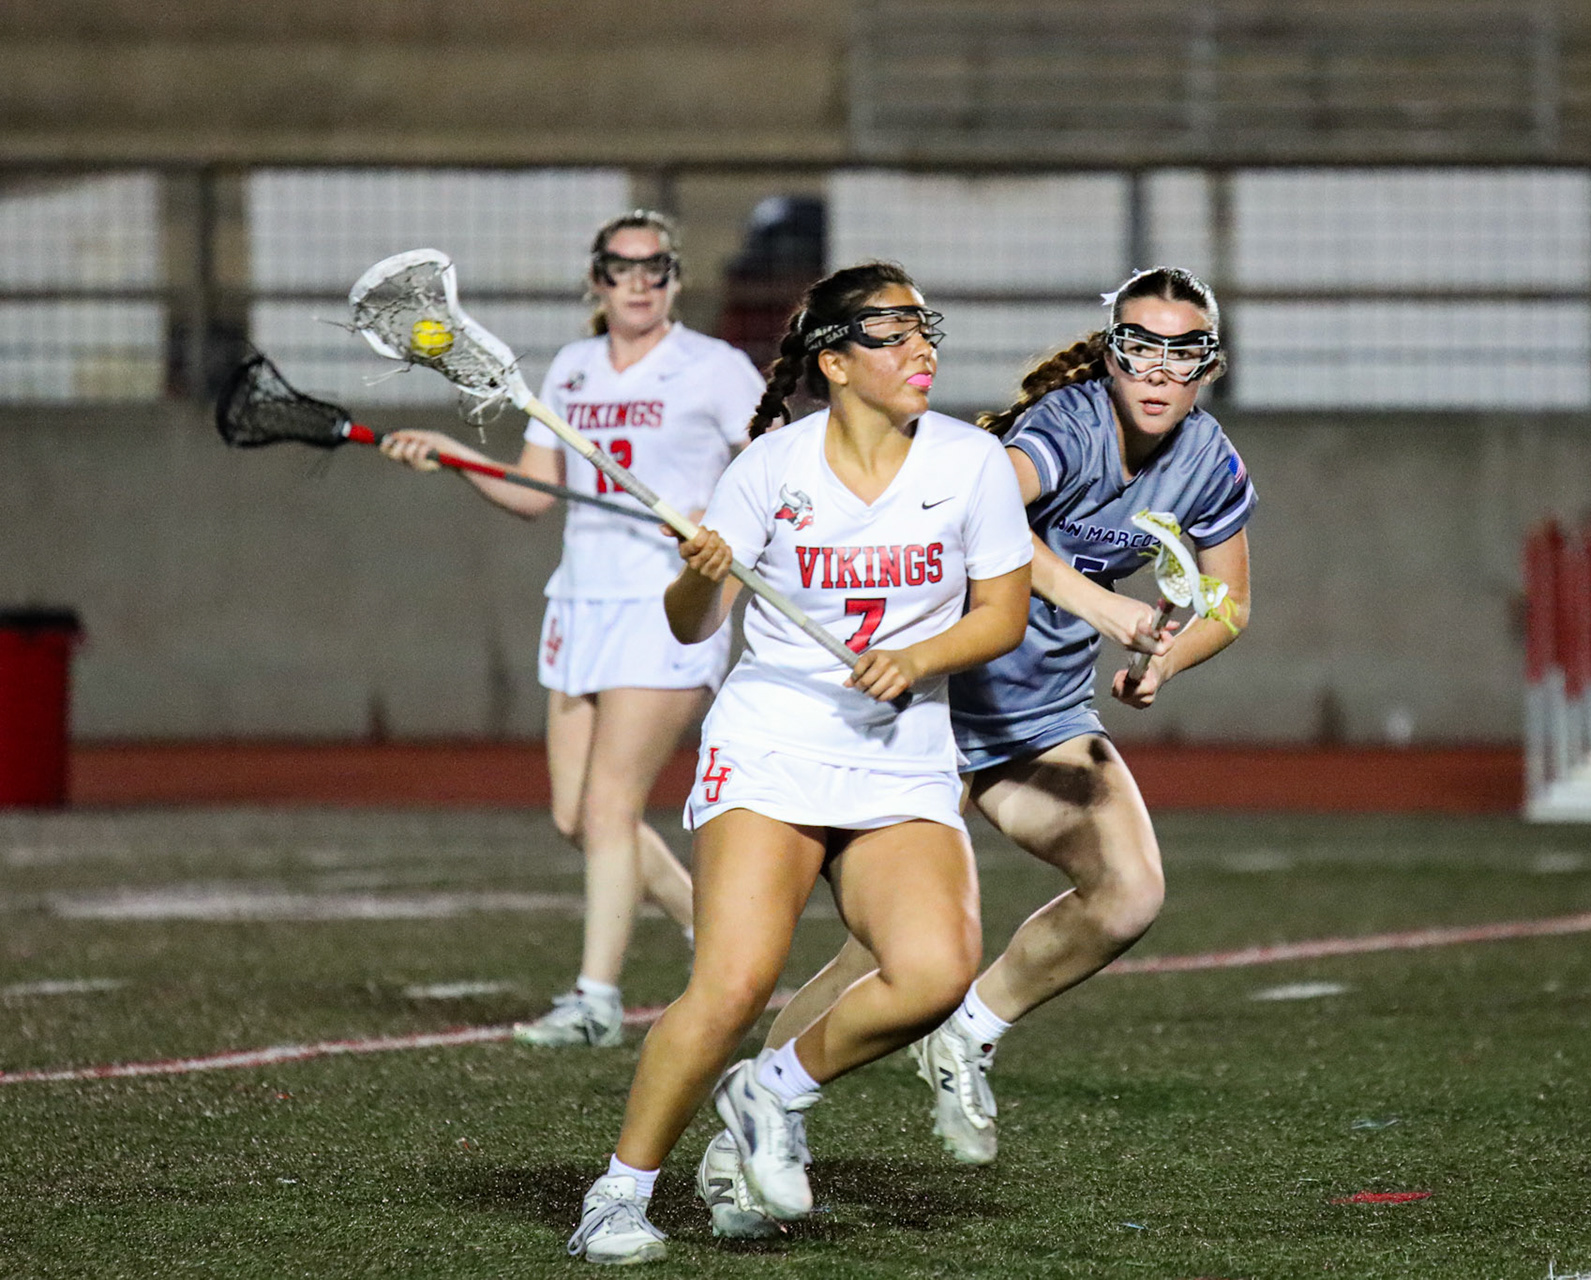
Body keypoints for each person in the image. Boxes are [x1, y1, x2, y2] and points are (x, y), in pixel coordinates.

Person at [695, 266, 1256, 1233]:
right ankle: (754, 1122)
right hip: (944, 704)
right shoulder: (1066, 427)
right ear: (1111, 353)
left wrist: (1169, 658)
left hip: (1044, 713)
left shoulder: (1209, 459)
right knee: (883, 955)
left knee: (1129, 894)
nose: (1161, 371)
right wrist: (1103, 605)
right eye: (1140, 348)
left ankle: (970, 1029)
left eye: (1184, 352)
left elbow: (1231, 601)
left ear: (1210, 363)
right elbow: (981, 509)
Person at [565, 261, 1034, 1264]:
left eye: (925, 327)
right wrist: (700, 575)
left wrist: (919, 657)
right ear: (835, 361)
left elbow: (1003, 614)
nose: (921, 348)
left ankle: (771, 1090)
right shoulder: (770, 467)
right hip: (771, 745)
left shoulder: (972, 462)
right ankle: (618, 1194)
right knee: (733, 985)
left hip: (900, 756)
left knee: (936, 973)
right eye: (893, 332)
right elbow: (690, 623)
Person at [380, 210, 762, 1048]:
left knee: (612, 805)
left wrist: (719, 525)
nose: (638, 282)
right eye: (621, 267)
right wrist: (452, 453)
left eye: (655, 267)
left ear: (674, 278)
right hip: (581, 603)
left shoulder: (716, 369)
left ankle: (595, 1001)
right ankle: (723, 937)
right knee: (576, 818)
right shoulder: (573, 369)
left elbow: (772, 468)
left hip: (665, 605)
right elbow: (532, 492)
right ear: (597, 279)